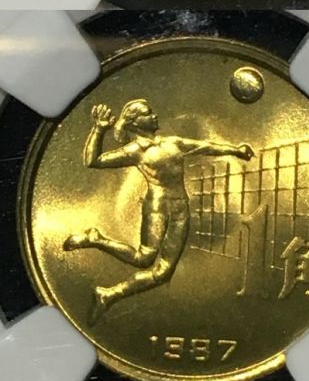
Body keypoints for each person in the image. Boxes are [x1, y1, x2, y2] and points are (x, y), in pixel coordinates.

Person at [63, 99, 254, 324]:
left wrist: (236, 150)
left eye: (152, 112)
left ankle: (109, 294)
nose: (154, 116)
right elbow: (93, 161)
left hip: (181, 207)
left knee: (163, 273)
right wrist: (98, 129)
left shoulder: (173, 142)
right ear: (136, 123)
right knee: (144, 258)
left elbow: (207, 146)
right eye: (147, 114)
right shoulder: (135, 150)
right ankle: (96, 239)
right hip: (157, 207)